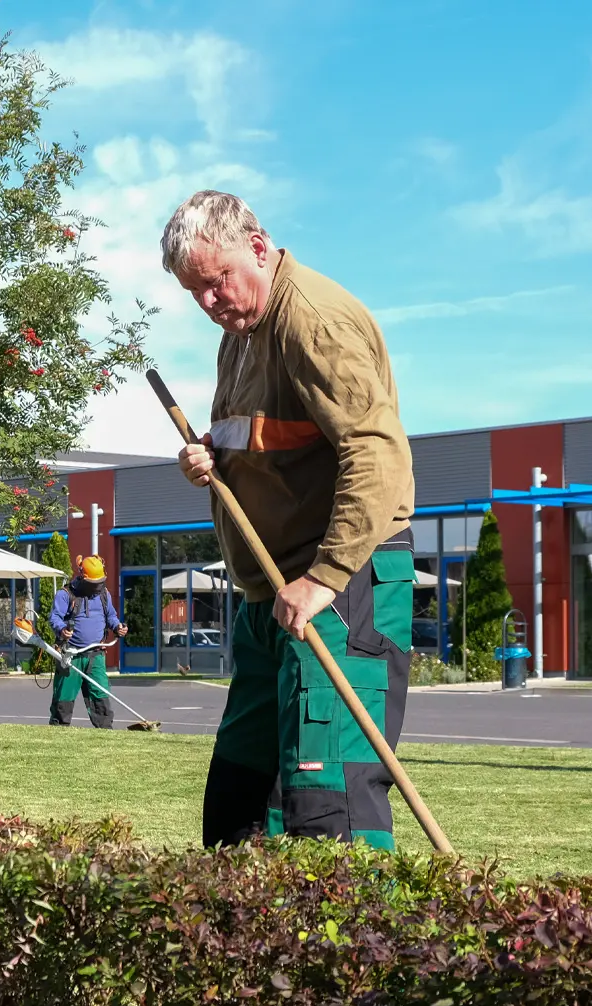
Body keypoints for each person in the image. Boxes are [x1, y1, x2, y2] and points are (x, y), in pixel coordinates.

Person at [161, 190, 416, 852]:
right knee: (240, 796)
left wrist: (325, 577)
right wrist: (208, 454)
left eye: (218, 281)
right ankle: (240, 947)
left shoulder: (315, 322)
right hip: (269, 595)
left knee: (324, 797)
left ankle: (360, 954)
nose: (211, 301)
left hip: (339, 582)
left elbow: (376, 453)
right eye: (197, 291)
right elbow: (266, 437)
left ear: (257, 244)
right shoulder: (238, 338)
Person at [46, 555, 128, 727]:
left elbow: (110, 615)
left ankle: (105, 733)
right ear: (82, 578)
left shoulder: (104, 594)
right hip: (70, 655)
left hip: (95, 655)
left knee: (100, 695)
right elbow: (55, 617)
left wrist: (117, 626)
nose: (98, 587)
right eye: (94, 584)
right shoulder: (65, 594)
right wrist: (62, 630)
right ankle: (58, 732)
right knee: (64, 698)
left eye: (100, 582)